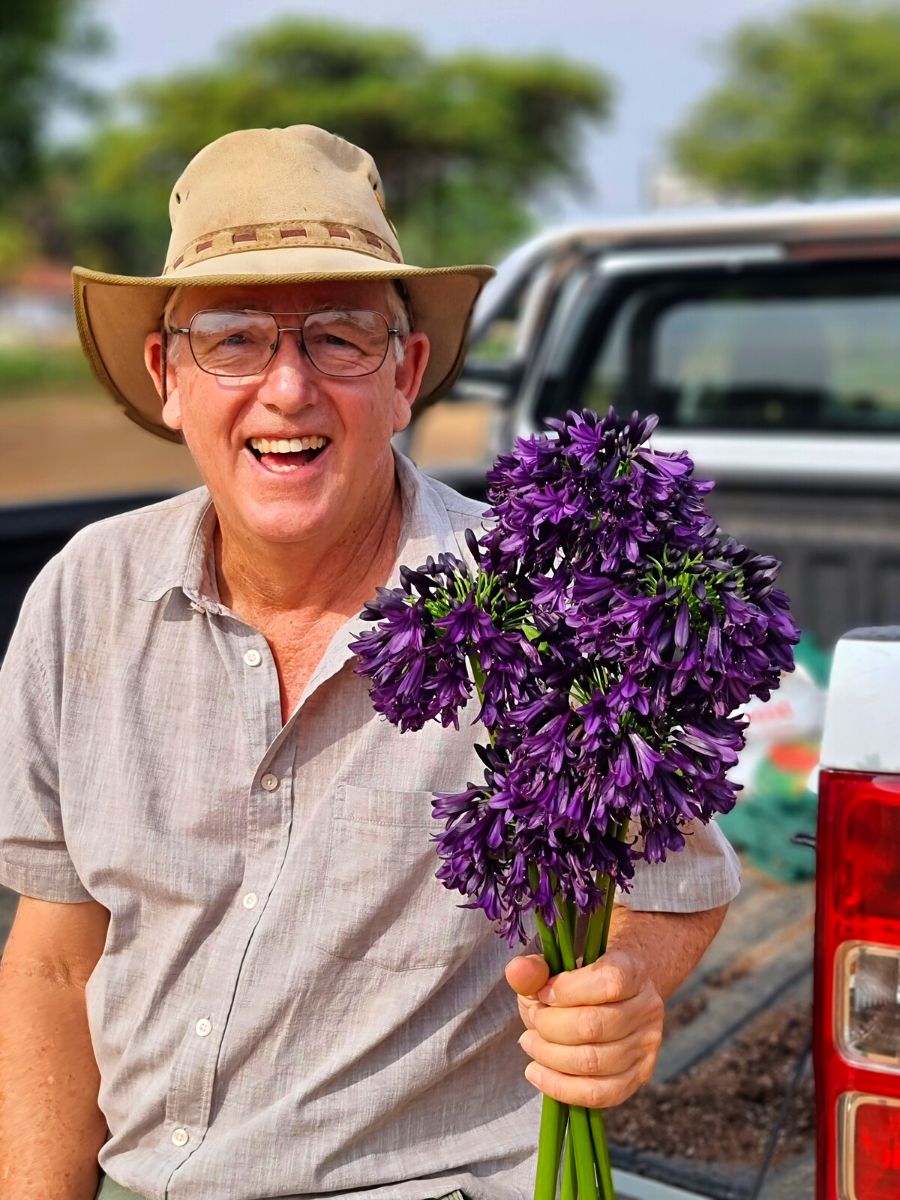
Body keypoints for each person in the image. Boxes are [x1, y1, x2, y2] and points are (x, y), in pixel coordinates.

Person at [0, 125, 740, 1200]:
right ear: (168, 376)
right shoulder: (85, 592)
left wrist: (623, 986)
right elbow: (55, 963)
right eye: (234, 338)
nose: (289, 389)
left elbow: (679, 881)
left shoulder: (537, 603)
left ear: (409, 373)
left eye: (340, 338)